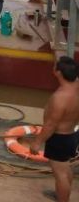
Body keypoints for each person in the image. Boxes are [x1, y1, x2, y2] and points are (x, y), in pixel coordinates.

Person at [30, 56, 79, 202]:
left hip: (59, 138)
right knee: (65, 168)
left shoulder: (60, 98)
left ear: (58, 72)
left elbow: (51, 125)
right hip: (72, 134)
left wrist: (37, 142)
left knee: (60, 173)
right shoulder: (77, 85)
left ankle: (63, 198)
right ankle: (61, 194)